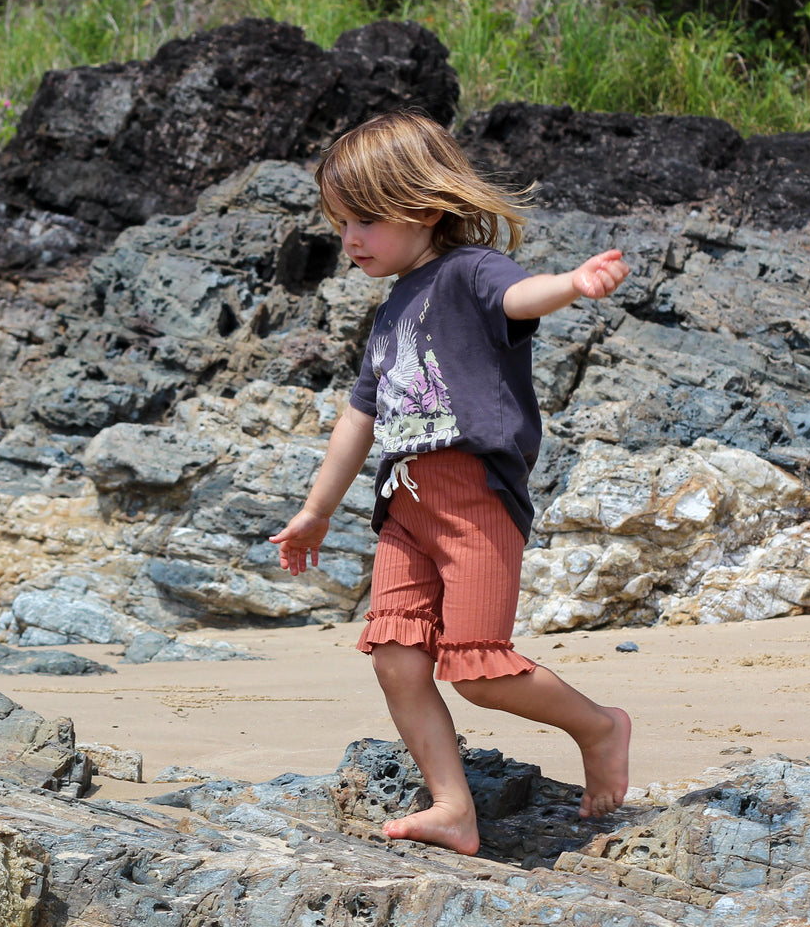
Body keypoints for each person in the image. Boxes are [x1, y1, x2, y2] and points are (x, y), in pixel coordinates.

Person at [269, 110, 631, 857]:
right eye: (340, 224)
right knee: (397, 657)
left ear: (424, 206)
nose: (350, 240)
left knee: (476, 668)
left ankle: (598, 724)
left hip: (473, 500)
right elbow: (357, 419)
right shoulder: (390, 309)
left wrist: (573, 283)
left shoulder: (468, 272)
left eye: (365, 220)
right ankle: (450, 806)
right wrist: (313, 512)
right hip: (402, 506)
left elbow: (518, 299)